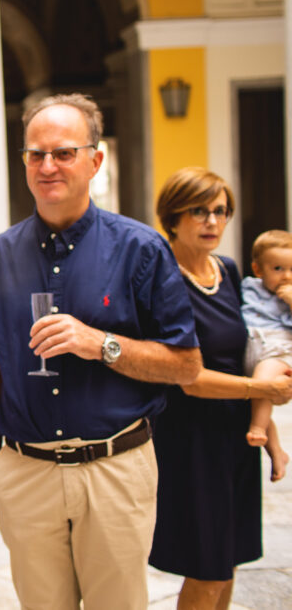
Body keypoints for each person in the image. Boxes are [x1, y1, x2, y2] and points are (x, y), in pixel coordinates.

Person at [0, 94, 202, 610]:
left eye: (64, 152)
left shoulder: (141, 249)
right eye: (36, 154)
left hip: (114, 469)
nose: (48, 165)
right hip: (26, 473)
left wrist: (101, 345)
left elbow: (187, 365)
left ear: (95, 160)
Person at [150, 168, 292, 608]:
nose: (212, 221)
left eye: (220, 211)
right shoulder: (160, 278)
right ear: (173, 217)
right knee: (207, 567)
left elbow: (247, 351)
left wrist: (269, 436)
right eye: (199, 211)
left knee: (228, 561)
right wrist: (262, 391)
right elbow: (185, 378)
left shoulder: (227, 271)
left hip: (235, 436)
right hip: (191, 439)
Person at [242, 229, 292, 475]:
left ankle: (257, 430)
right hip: (253, 348)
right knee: (256, 402)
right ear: (258, 270)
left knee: (261, 386)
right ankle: (277, 453)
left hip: (278, 351)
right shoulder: (249, 287)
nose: (287, 276)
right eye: (278, 269)